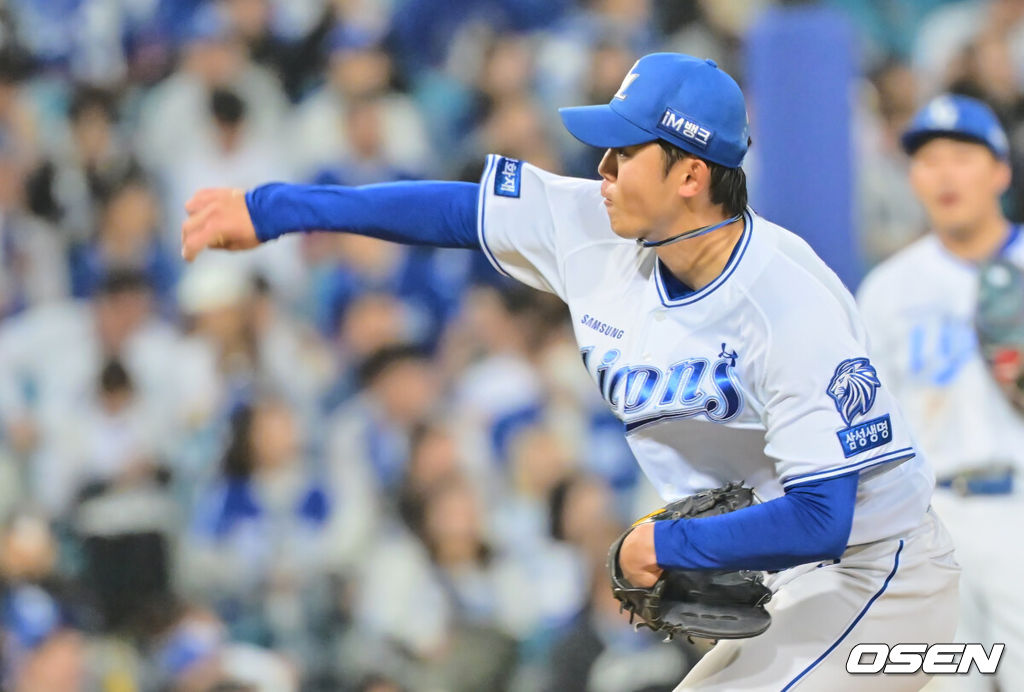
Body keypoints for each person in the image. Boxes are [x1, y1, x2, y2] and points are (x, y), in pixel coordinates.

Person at [181, 53, 959, 690]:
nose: (605, 167)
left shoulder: (786, 300)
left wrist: (664, 548)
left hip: (877, 574)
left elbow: (826, 516)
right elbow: (455, 211)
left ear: (690, 176)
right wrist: (278, 208)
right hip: (793, 583)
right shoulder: (596, 228)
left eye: (626, 152)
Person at [857, 93, 1024, 691]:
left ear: (1001, 169)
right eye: (928, 159)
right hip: (930, 527)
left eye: (962, 155)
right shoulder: (887, 291)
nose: (944, 173)